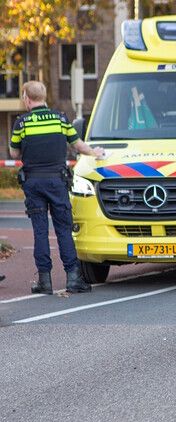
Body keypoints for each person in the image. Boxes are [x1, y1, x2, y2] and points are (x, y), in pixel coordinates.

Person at [9, 81, 104, 294]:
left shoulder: (22, 123)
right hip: (57, 181)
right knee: (63, 229)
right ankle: (73, 277)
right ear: (43, 97)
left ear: (26, 97)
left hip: (33, 182)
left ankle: (45, 281)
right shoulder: (60, 119)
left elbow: (14, 153)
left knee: (40, 231)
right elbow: (77, 145)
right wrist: (95, 152)